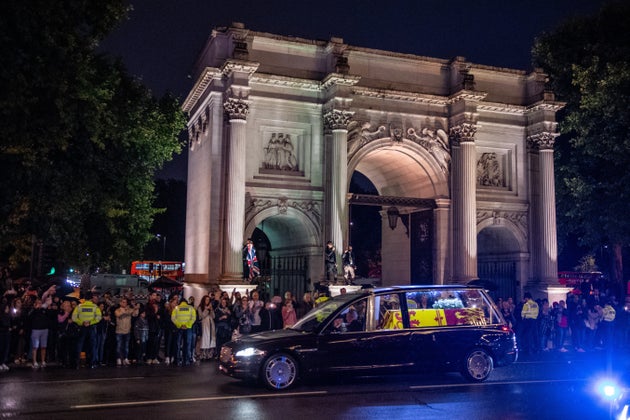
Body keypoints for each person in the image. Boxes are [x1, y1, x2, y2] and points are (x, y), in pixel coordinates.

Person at [72, 292, 102, 368]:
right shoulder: (95, 307)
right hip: (91, 327)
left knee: (79, 345)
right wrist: (90, 322)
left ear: (84, 298)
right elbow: (98, 318)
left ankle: (76, 363)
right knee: (92, 345)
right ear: (91, 298)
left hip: (81, 327)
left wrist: (82, 322)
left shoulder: (79, 306)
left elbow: (74, 318)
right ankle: (92, 363)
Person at [171, 297, 197, 366]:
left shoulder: (176, 308)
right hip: (188, 328)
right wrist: (188, 325)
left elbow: (173, 318)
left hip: (179, 328)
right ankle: (186, 361)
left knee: (178, 344)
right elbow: (193, 318)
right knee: (187, 344)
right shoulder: (191, 308)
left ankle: (177, 361)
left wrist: (180, 325)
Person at [114, 297, 138, 366]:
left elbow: (135, 314)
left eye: (126, 302)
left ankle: (125, 358)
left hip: (127, 331)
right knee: (119, 346)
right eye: (123, 302)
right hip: (119, 331)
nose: (125, 303)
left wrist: (134, 307)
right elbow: (118, 314)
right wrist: (125, 310)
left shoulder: (129, 310)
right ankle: (118, 358)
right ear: (120, 303)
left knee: (126, 346)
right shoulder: (117, 310)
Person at [197, 295, 216, 360]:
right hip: (204, 325)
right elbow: (201, 316)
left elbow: (213, 316)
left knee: (211, 338)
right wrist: (206, 309)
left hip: (211, 324)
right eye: (206, 300)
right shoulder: (200, 307)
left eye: (208, 300)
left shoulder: (210, 307)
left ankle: (209, 355)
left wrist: (211, 310)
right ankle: (203, 355)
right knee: (205, 339)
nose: (207, 301)